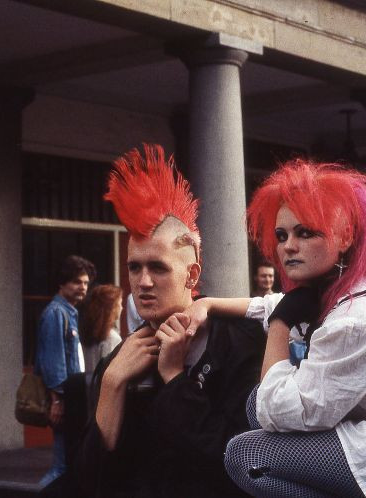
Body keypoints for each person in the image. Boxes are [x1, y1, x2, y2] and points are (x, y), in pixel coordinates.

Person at [182, 159, 366, 497]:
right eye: (281, 235)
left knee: (248, 451)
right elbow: (269, 305)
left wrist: (282, 323)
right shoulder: (362, 289)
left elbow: (274, 412)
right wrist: (207, 304)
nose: (288, 247)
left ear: (344, 237)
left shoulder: (361, 315)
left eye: (305, 232)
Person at [54, 144, 265, 498]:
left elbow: (237, 461)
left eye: (158, 267)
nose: (143, 282)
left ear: (191, 274)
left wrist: (175, 379)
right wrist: (112, 385)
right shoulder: (122, 357)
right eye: (135, 267)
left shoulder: (240, 341)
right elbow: (89, 482)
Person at [34, 255, 96, 487]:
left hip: (72, 398)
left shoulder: (68, 312)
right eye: (77, 282)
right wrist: (57, 400)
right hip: (63, 399)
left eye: (86, 283)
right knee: (61, 467)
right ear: (62, 283)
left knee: (69, 463)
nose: (83, 287)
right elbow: (52, 361)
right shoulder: (56, 313)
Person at [79, 284, 123, 373]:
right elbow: (110, 372)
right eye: (120, 304)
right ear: (111, 308)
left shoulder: (88, 333)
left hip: (89, 385)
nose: (122, 308)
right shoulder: (112, 338)